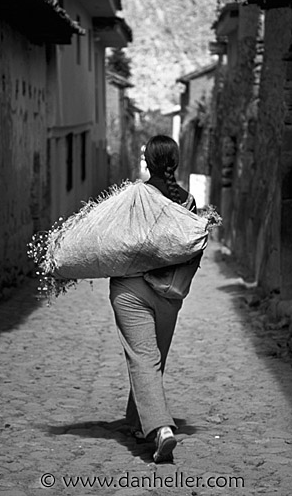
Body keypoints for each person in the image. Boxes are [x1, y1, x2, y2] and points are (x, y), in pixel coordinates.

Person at [109, 135, 197, 463]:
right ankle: (137, 422)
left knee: (143, 358)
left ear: (147, 161)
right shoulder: (188, 202)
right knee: (151, 359)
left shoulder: (136, 195)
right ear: (175, 161)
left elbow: (116, 239)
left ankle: (160, 429)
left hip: (131, 290)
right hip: (169, 294)